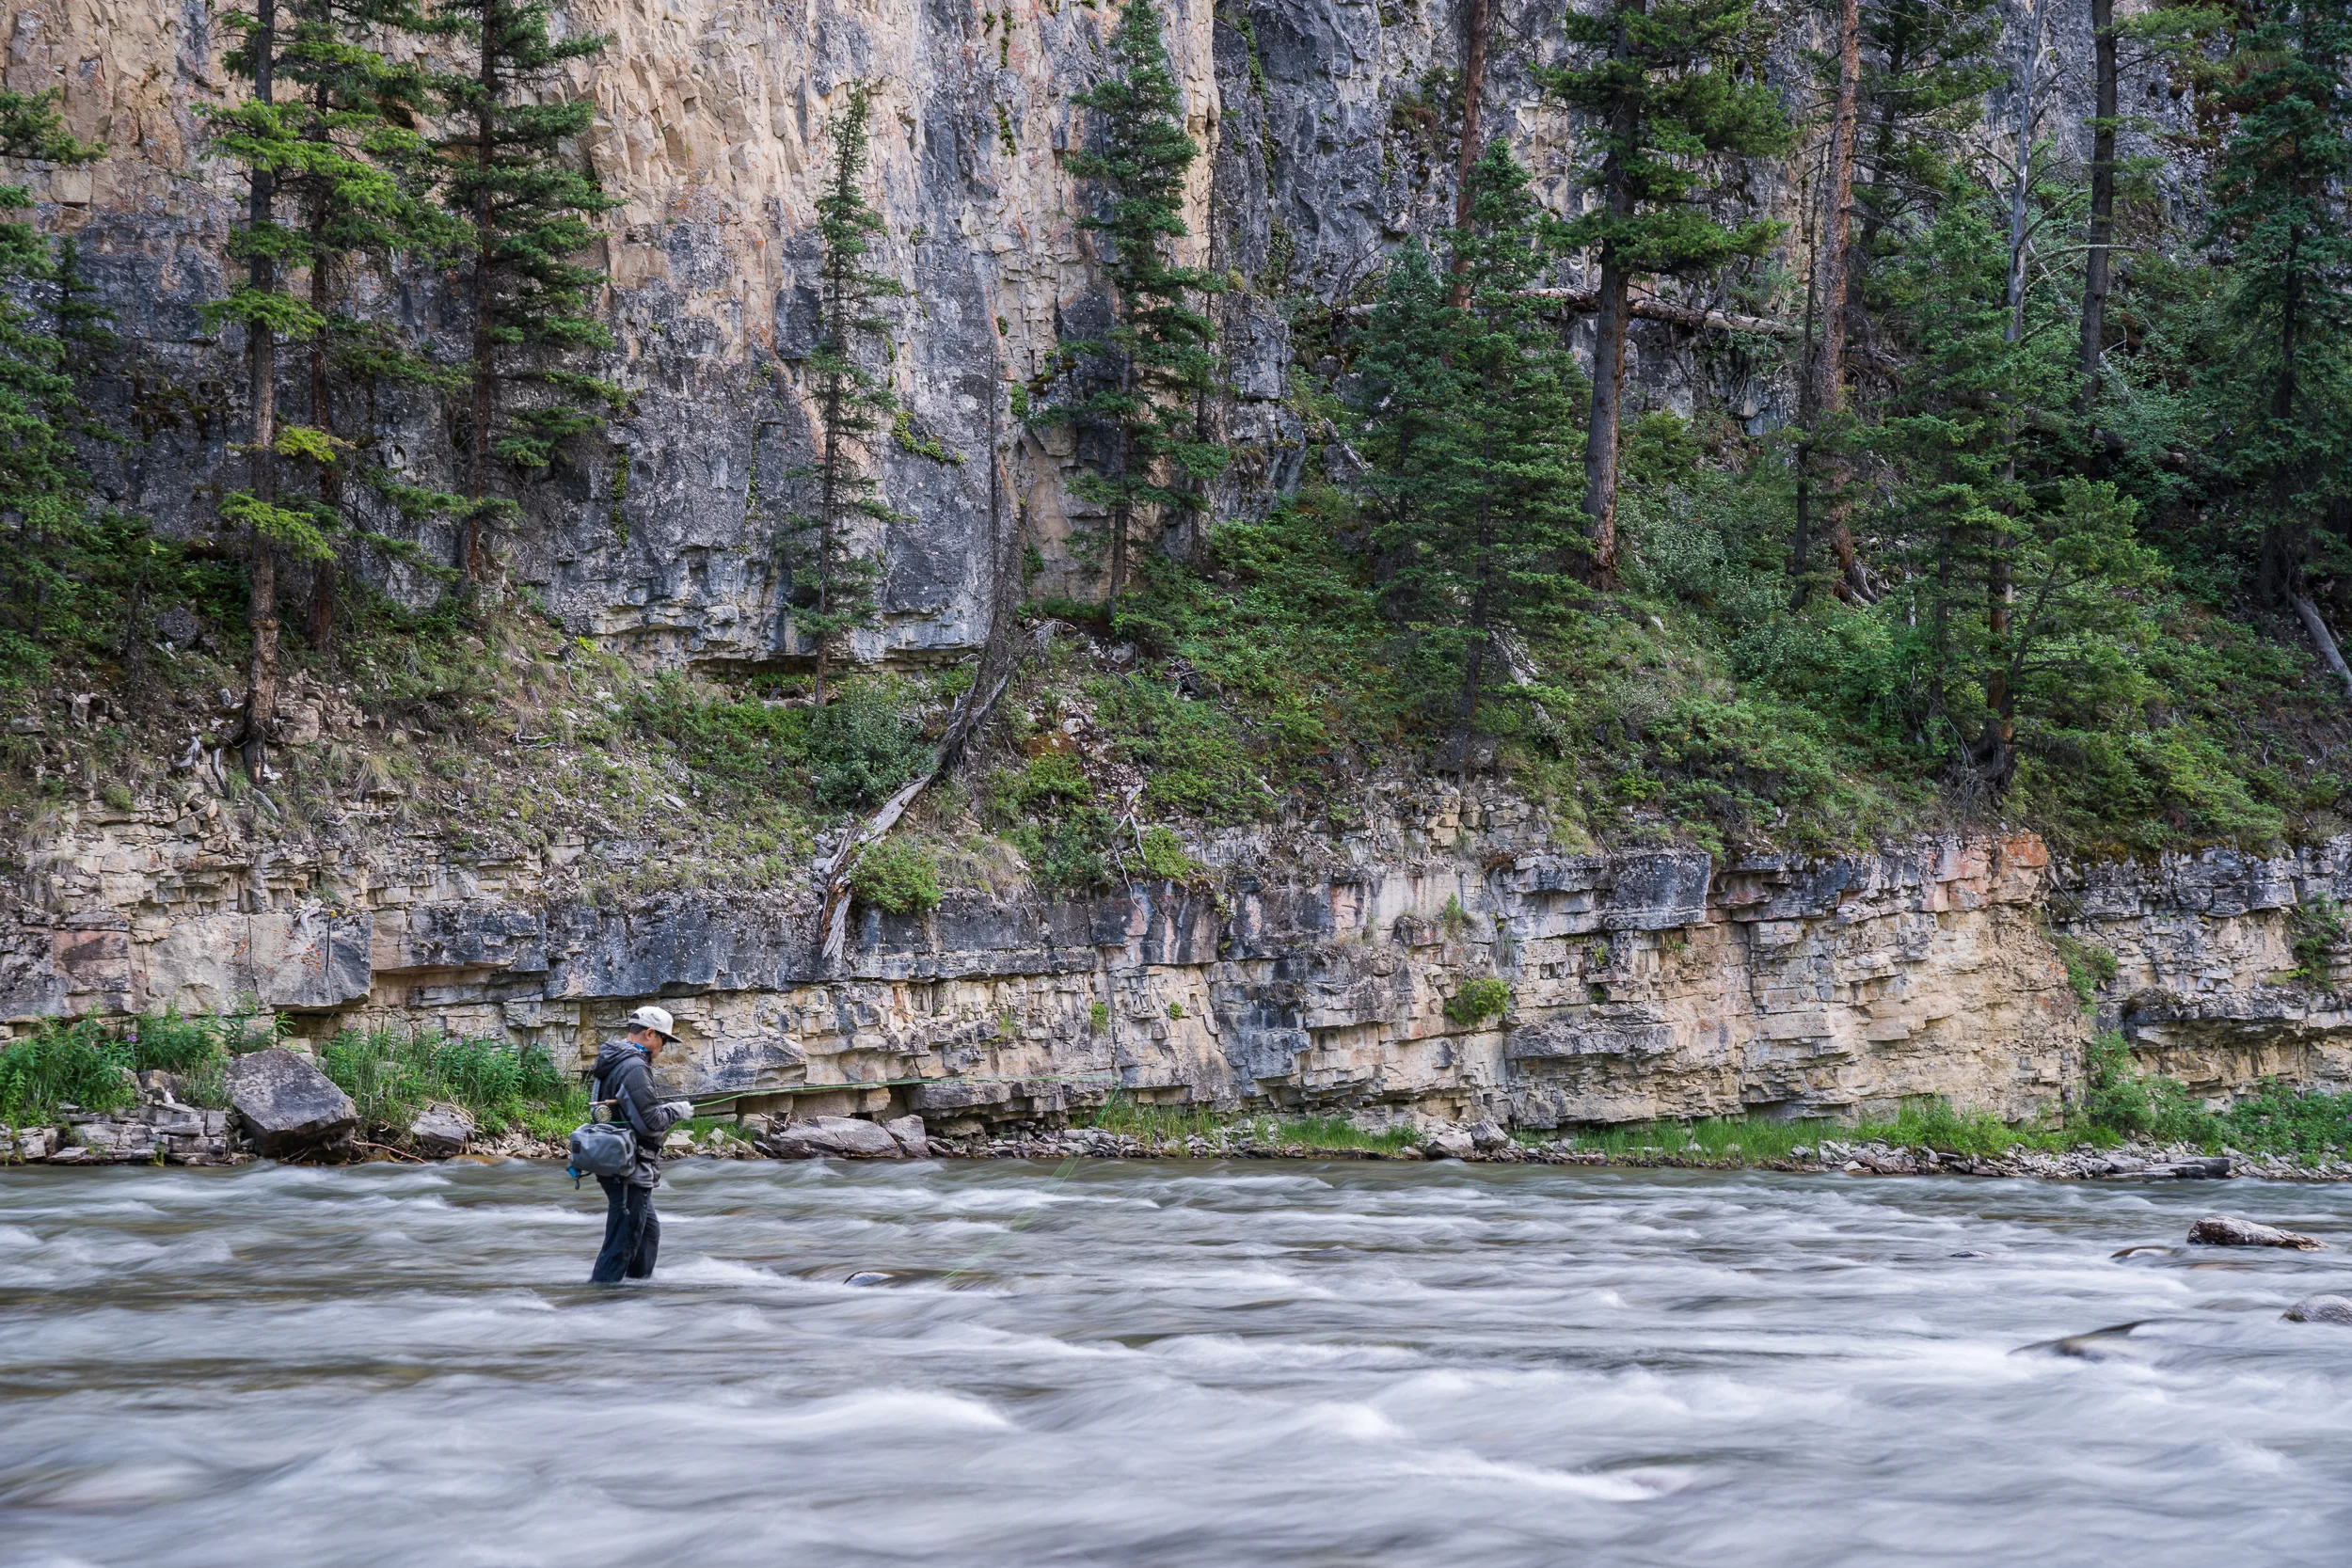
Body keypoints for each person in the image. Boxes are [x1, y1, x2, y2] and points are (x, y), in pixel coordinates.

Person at [588, 1005, 694, 1285]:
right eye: (664, 1040)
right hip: (628, 1167)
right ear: (650, 1034)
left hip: (617, 1160)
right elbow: (650, 1122)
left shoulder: (615, 1060)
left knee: (647, 1234)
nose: (663, 1047)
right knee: (621, 1243)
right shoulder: (634, 1067)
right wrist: (677, 1110)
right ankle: (600, 1298)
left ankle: (636, 1293)